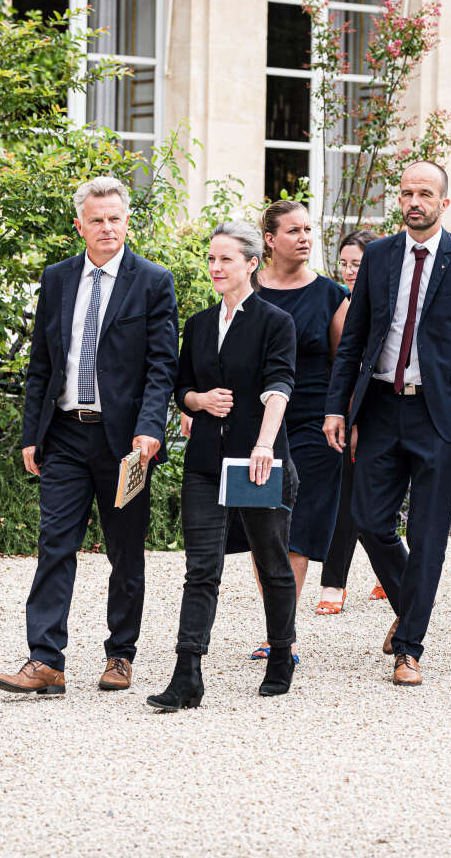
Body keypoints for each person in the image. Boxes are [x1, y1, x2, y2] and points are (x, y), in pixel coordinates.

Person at [0, 176, 179, 697]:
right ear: (80, 226)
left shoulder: (153, 281)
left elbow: (162, 366)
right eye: (96, 220)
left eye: (114, 218)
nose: (106, 228)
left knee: (125, 552)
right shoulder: (56, 279)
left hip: (126, 446)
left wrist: (148, 430)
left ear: (127, 222)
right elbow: (41, 363)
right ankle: (45, 660)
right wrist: (33, 434)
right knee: (55, 544)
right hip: (66, 438)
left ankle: (120, 655)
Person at [323, 161, 451, 687]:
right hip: (379, 406)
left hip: (439, 415)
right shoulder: (378, 256)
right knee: (370, 520)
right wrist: (338, 407)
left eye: (425, 193)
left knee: (427, 534)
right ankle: (411, 604)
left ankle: (409, 646)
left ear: (445, 202)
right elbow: (353, 339)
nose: (414, 201)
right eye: (406, 193)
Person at [147, 222, 301, 710]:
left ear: (252, 263)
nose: (215, 268)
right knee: (201, 570)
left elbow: (279, 388)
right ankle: (187, 675)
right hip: (206, 464)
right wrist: (199, 399)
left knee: (272, 563)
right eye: (211, 259)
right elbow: (182, 389)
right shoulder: (196, 324)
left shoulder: (276, 322)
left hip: (258, 461)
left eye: (225, 260)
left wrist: (263, 445)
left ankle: (281, 654)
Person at [253, 202, 349, 643]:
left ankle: (280, 633)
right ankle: (278, 623)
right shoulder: (246, 287)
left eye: (309, 229)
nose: (305, 237)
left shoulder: (332, 296)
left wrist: (343, 418)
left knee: (298, 527)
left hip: (315, 426)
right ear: (270, 240)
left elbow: (345, 364)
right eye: (294, 230)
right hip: (255, 426)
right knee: (260, 527)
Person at [317, 228, 387, 614]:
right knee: (350, 496)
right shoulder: (341, 300)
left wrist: (356, 417)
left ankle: (335, 583)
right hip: (343, 410)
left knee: (360, 499)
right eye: (343, 263)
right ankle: (385, 572)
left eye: (356, 264)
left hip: (373, 412)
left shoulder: (380, 301)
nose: (348, 270)